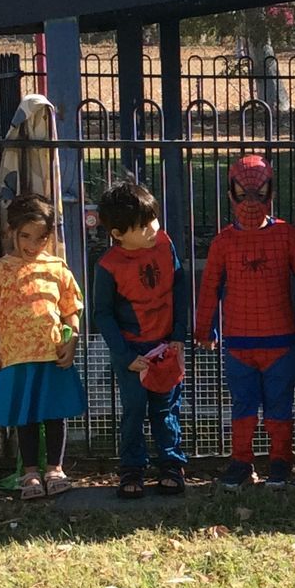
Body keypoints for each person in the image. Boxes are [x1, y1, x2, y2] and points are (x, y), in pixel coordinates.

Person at [195, 155, 295, 489]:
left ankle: (280, 461)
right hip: (239, 342)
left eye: (258, 194)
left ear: (270, 191)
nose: (251, 203)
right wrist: (204, 329)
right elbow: (209, 286)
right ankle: (241, 462)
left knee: (279, 407)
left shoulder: (286, 235)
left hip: (280, 340)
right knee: (243, 407)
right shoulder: (224, 242)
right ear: (232, 193)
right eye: (244, 194)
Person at [0, 193, 86, 499]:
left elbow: (71, 308)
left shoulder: (57, 267)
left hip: (52, 353)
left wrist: (73, 339)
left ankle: (55, 468)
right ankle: (29, 473)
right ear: (11, 231)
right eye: (25, 236)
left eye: (41, 238)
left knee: (55, 413)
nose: (32, 244)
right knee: (24, 416)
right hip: (15, 356)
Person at [92, 180, 190, 499]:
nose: (153, 229)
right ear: (118, 234)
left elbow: (178, 287)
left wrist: (178, 336)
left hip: (165, 345)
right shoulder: (108, 266)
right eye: (143, 226)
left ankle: (171, 465)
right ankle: (132, 468)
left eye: (153, 220)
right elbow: (103, 314)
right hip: (132, 351)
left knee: (166, 407)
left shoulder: (165, 243)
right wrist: (123, 356)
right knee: (134, 409)